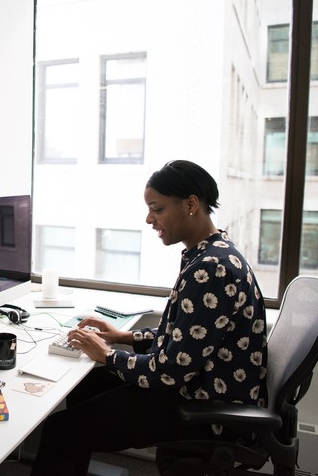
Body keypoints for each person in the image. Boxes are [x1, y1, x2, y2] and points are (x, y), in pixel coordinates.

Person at [30, 160, 268, 476]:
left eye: (157, 209)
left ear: (191, 204)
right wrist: (124, 337)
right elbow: (187, 334)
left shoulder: (211, 269)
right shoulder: (212, 252)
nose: (149, 219)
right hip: (197, 386)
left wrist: (107, 355)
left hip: (202, 408)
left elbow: (170, 371)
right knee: (86, 386)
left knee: (62, 429)